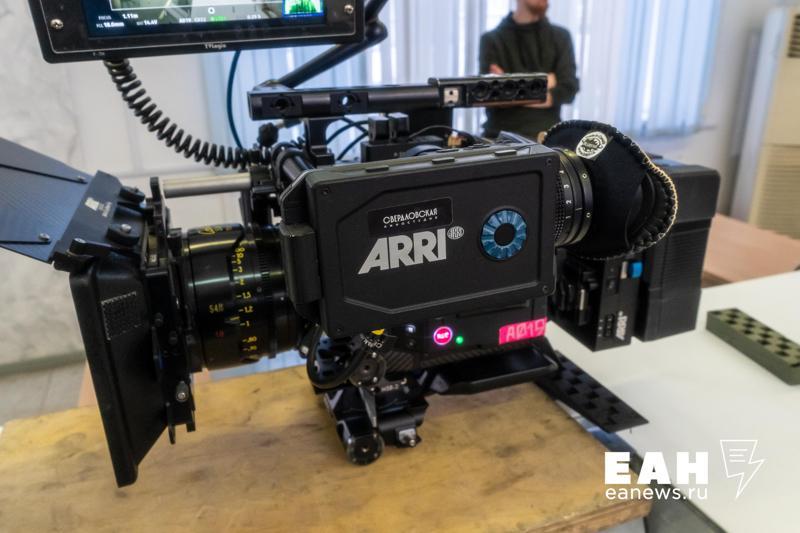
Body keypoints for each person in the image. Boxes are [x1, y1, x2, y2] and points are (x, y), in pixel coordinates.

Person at [479, 0, 580, 139]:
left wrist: (509, 89)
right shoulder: (491, 39)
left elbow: (568, 90)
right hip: (498, 138)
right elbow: (491, 96)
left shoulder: (561, 36)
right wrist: (547, 81)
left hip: (547, 138)